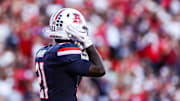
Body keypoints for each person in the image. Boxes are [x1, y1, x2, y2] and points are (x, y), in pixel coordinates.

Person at [35, 8, 105, 101]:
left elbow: (72, 86)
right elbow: (99, 70)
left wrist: (81, 57)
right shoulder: (65, 51)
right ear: (71, 29)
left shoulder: (42, 52)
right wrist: (87, 43)